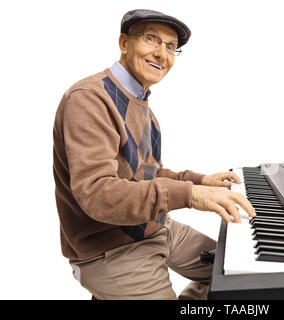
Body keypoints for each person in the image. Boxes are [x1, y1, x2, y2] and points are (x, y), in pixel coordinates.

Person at [52, 9, 255, 300]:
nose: (162, 54)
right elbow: (97, 194)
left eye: (171, 47)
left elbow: (148, 174)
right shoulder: (89, 99)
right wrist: (191, 195)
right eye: (151, 39)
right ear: (124, 43)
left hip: (156, 228)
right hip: (110, 249)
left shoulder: (143, 107)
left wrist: (200, 181)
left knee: (239, 274)